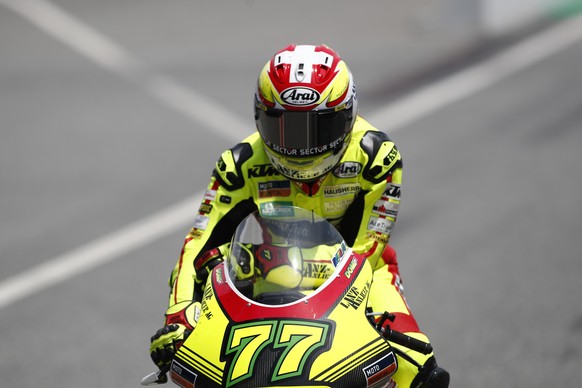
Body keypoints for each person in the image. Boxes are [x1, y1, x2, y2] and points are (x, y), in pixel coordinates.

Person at [149, 44, 449, 387]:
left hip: (362, 273)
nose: (301, 147)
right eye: (286, 129)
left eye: (317, 129)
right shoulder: (238, 165)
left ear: (347, 115)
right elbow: (197, 242)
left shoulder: (377, 157)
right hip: (266, 276)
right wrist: (180, 313)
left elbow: (370, 244)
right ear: (260, 116)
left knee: (419, 366)